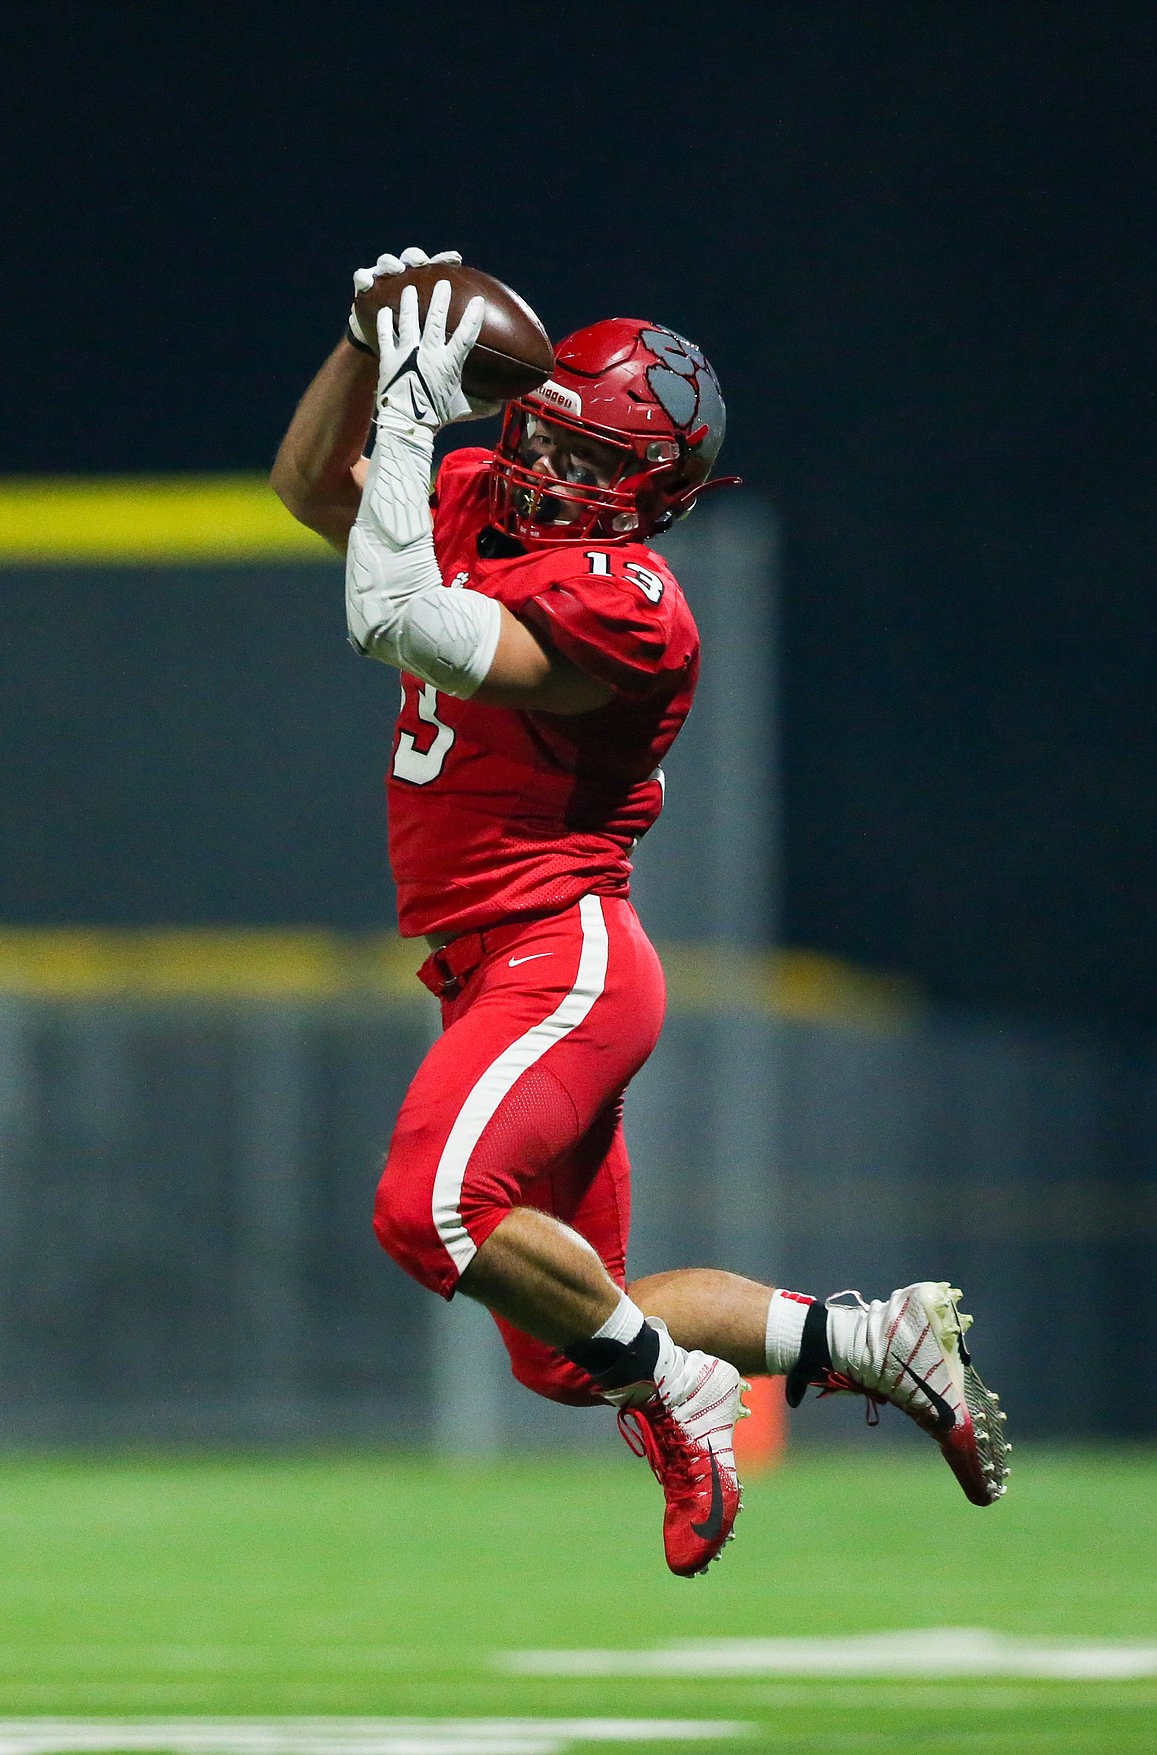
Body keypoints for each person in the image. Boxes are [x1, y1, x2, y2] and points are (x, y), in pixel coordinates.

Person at [271, 245, 1010, 1578]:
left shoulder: (633, 606)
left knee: (430, 1211)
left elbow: (393, 619)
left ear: (657, 499)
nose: (556, 477)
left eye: (600, 468)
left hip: (560, 956)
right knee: (570, 1348)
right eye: (549, 439)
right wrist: (364, 336)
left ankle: (679, 1393)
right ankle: (865, 1342)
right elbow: (308, 491)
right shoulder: (462, 494)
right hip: (488, 964)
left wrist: (405, 412)